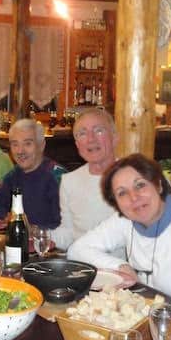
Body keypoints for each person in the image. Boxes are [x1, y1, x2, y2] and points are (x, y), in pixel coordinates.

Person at [67, 154, 171, 304]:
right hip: (152, 311)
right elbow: (76, 250)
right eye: (122, 193)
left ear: (159, 185)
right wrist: (120, 266)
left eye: (140, 185)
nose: (133, 197)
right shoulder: (126, 219)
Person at [52, 107, 117, 250]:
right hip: (82, 261)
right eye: (82, 134)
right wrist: (38, 235)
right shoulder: (69, 181)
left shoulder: (133, 177)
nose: (91, 139)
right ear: (77, 145)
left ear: (114, 138)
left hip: (121, 263)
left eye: (98, 130)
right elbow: (68, 234)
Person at [0, 118, 66, 228]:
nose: (20, 151)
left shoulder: (57, 177)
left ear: (41, 145)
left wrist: (32, 229)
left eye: (27, 144)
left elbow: (66, 226)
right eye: (15, 144)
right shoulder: (14, 175)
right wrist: (6, 216)